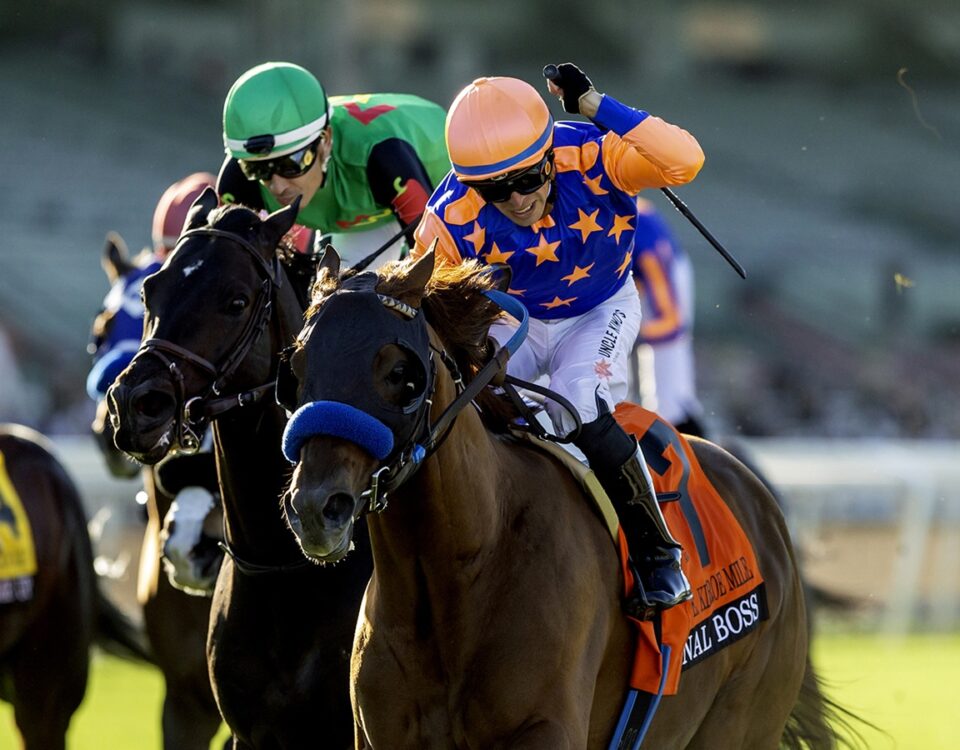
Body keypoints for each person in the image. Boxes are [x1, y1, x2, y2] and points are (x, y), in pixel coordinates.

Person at [412, 64, 704, 618]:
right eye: (494, 190)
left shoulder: (599, 156)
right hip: (509, 320)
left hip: (599, 310)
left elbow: (685, 159)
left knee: (578, 400)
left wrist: (597, 106)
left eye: (527, 179)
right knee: (468, 406)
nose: (517, 200)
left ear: (549, 155)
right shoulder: (447, 218)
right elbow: (420, 300)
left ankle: (656, 553)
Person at [217, 61, 450, 267]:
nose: (276, 186)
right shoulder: (237, 181)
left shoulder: (383, 158)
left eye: (291, 164)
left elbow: (437, 264)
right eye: (258, 169)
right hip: (363, 207)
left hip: (444, 175)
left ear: (325, 141)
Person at [630, 197, 706, 437]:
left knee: (668, 390)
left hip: (658, 285)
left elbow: (672, 324)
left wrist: (632, 335)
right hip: (629, 284)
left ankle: (691, 448)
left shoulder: (643, 236)